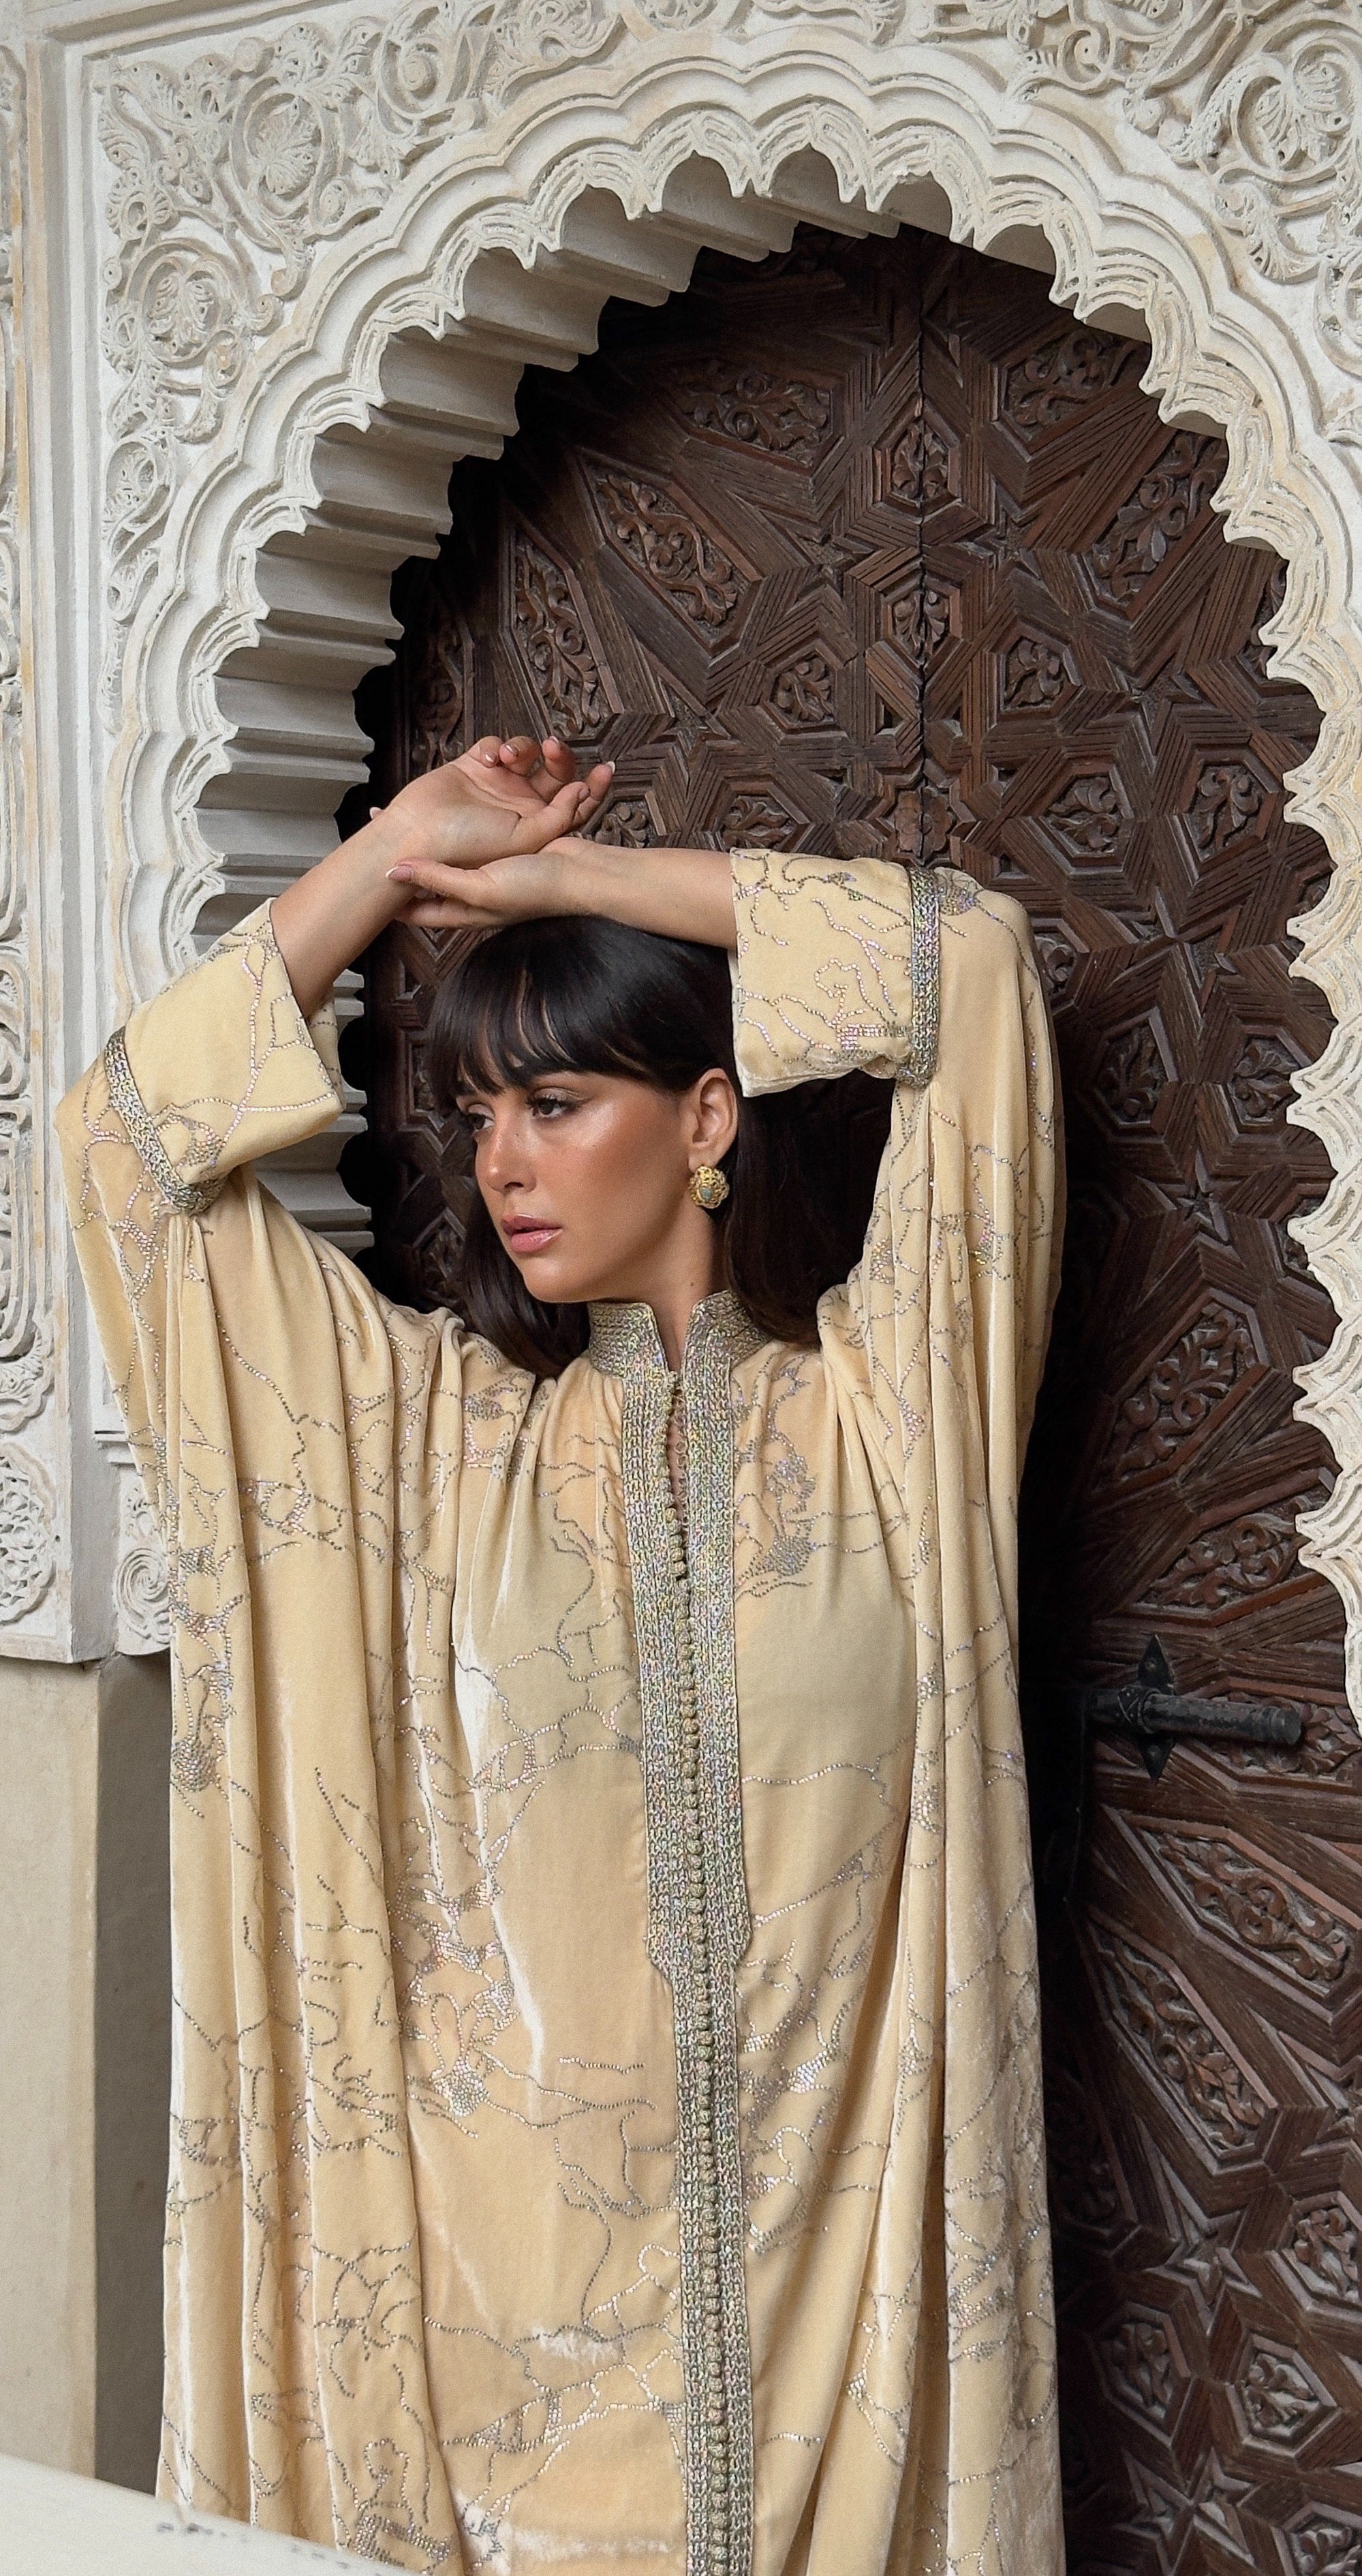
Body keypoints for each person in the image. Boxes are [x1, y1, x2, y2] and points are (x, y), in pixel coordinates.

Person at [57, 731, 1064, 2576]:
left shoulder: (892, 1408)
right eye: (478, 1115)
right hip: (506, 2362)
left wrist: (563, 883)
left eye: (556, 1101)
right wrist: (391, 857)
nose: (501, 1164)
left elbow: (973, 965)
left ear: (706, 1117)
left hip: (838, 2352)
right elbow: (126, 1155)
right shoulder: (435, 1442)